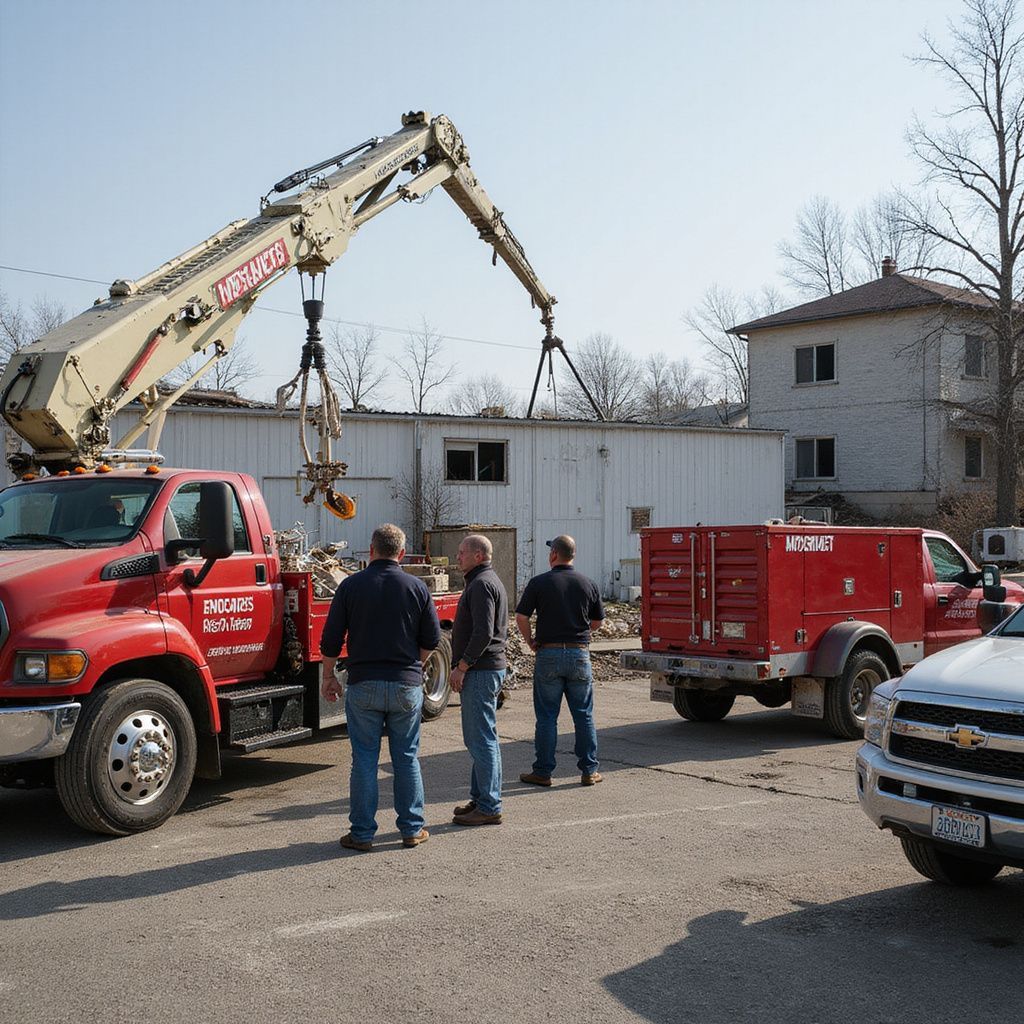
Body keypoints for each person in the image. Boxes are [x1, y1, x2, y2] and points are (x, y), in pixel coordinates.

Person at [321, 523, 440, 851]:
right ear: (401, 554)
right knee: (406, 758)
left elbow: (331, 638)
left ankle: (361, 834)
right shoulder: (417, 587)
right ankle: (412, 829)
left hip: (364, 685)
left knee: (364, 760)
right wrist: (414, 665)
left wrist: (328, 676)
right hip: (405, 686)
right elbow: (432, 638)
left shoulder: (350, 586)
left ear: (370, 550)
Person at [515, 534, 605, 787]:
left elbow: (521, 617)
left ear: (554, 554)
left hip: (549, 654)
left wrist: (530, 640)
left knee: (546, 717)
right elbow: (597, 622)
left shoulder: (539, 583)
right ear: (572, 555)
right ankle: (589, 770)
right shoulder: (588, 583)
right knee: (583, 715)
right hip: (579, 654)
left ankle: (543, 772)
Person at [449, 533, 508, 826]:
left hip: (481, 671)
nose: (457, 556)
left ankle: (488, 805)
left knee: (480, 739)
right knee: (482, 738)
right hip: (485, 669)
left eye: (462, 552)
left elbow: (483, 632)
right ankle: (481, 797)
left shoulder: (483, 584)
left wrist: (462, 665)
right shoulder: (483, 580)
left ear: (478, 556)